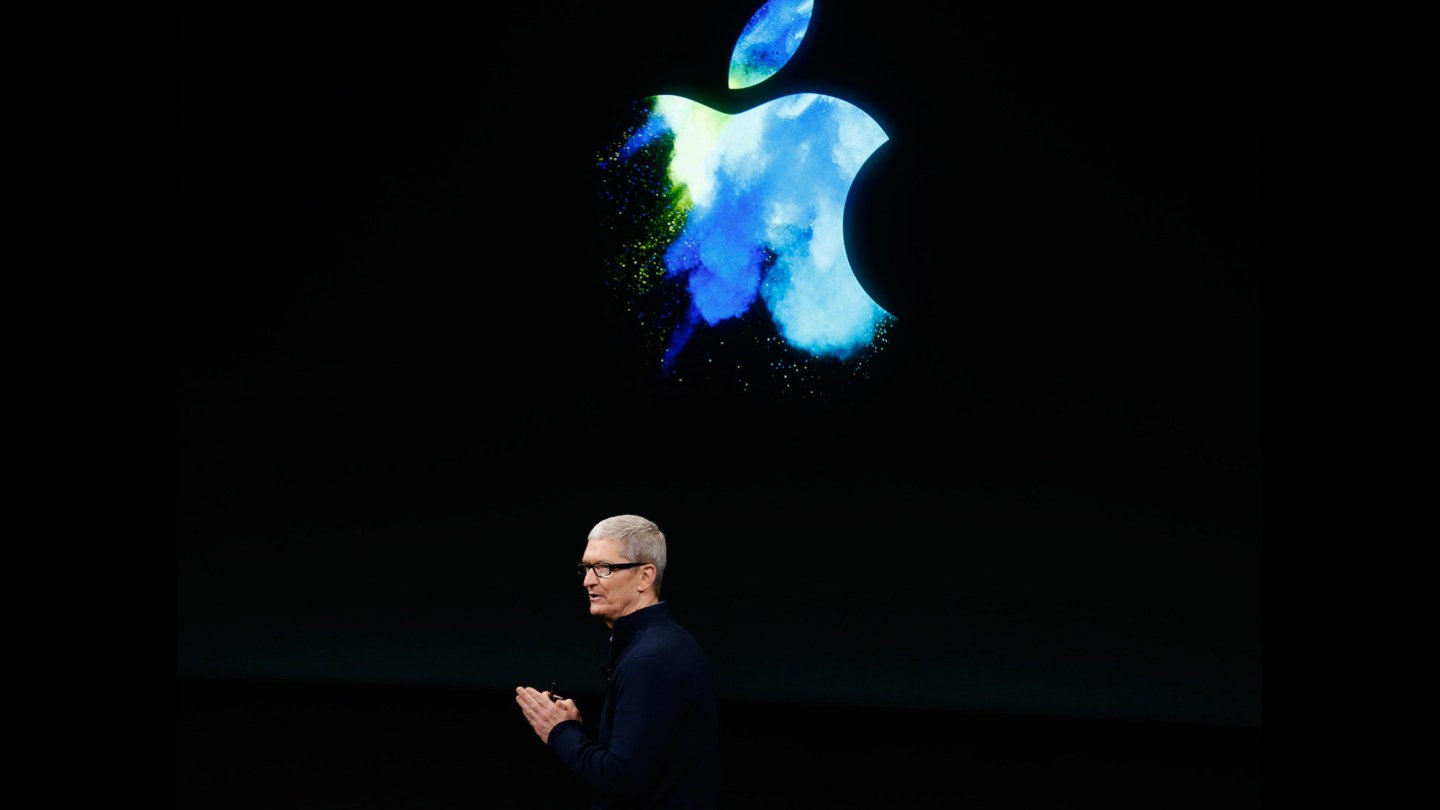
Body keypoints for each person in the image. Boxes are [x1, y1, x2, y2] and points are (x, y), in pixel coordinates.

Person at [515, 514, 721, 809]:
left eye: (604, 568)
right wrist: (578, 727)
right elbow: (647, 748)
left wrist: (559, 731)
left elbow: (623, 777)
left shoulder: (650, 659)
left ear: (645, 576)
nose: (588, 581)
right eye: (586, 568)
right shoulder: (662, 642)